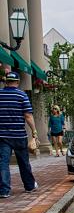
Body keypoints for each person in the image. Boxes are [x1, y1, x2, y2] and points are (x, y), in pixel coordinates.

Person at [0, 70, 38, 198]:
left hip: (3, 135)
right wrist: (34, 131)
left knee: (3, 163)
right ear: (17, 82)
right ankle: (29, 186)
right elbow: (28, 115)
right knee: (23, 162)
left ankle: (4, 190)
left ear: (6, 81)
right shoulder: (22, 96)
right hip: (19, 135)